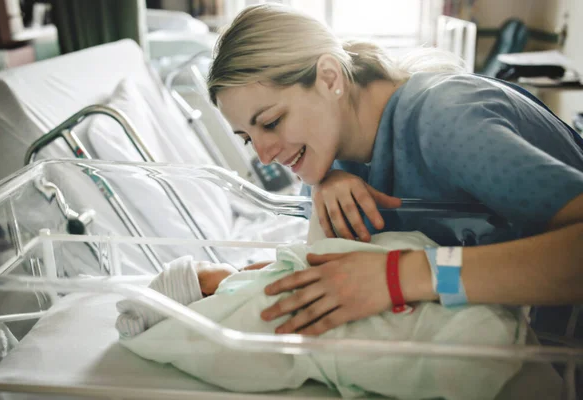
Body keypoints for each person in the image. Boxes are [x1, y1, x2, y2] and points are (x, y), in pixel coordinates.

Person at [206, 4, 583, 337]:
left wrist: (399, 276)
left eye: (271, 123)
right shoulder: (328, 167)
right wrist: (230, 283)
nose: (265, 155)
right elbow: (331, 278)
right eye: (246, 138)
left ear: (330, 78)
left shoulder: (446, 119)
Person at [116, 233, 527, 400]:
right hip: (330, 328)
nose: (229, 267)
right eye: (208, 269)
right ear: (202, 294)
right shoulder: (229, 303)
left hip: (391, 295)